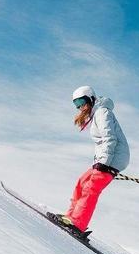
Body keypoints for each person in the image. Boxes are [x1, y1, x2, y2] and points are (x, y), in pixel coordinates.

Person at [51, 86, 130, 239]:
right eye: (76, 104)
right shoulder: (96, 114)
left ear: (90, 98)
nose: (79, 106)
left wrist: (104, 163)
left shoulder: (102, 113)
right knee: (82, 182)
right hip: (106, 158)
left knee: (91, 188)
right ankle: (71, 217)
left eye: (81, 101)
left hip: (113, 158)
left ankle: (78, 223)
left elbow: (110, 138)